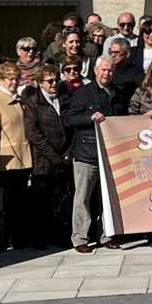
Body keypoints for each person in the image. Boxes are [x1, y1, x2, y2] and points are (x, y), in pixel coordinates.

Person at [62, 57, 119, 252]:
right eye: (103, 70)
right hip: (87, 154)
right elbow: (69, 119)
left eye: (110, 70)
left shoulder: (116, 93)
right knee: (82, 198)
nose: (106, 74)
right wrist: (89, 118)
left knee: (108, 199)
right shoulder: (83, 93)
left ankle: (106, 235)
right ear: (95, 71)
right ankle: (80, 238)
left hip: (111, 154)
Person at [0, 63, 32, 253]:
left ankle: (16, 237)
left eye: (16, 78)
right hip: (2, 163)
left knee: (16, 204)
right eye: (9, 78)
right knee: (0, 205)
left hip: (21, 160)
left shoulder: (17, 100)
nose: (13, 82)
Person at [20, 64, 68, 249]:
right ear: (40, 83)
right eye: (49, 81)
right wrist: (53, 156)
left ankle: (57, 235)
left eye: (56, 80)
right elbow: (33, 133)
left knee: (59, 199)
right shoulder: (33, 102)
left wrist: (66, 153)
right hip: (43, 159)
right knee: (41, 201)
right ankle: (40, 238)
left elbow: (69, 126)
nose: (54, 84)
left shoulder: (64, 98)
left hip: (63, 157)